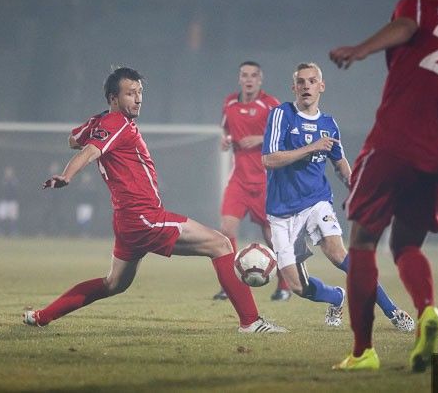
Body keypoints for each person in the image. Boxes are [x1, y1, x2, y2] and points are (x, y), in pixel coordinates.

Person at [23, 67, 287, 334]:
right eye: (130, 93)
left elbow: (73, 140)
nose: (138, 99)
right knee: (220, 244)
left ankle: (42, 316)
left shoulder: (101, 122)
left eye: (140, 92)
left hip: (127, 221)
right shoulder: (116, 122)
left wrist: (94, 130)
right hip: (144, 217)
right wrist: (67, 175)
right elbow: (90, 150)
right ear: (113, 98)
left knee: (114, 284)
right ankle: (251, 322)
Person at [329, 0, 438, 371]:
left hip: (397, 140)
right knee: (406, 245)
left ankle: (363, 352)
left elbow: (407, 26)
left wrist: (360, 49)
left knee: (363, 241)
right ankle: (427, 309)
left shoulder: (415, 6)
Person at [261, 62, 414, 331]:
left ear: (321, 86)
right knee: (297, 286)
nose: (306, 86)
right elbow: (269, 159)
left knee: (338, 254)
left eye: (312, 81)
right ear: (293, 87)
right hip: (281, 212)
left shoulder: (329, 124)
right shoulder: (281, 115)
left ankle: (393, 311)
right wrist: (311, 148)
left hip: (316, 201)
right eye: (301, 82)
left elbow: (339, 162)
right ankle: (336, 297)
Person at [213, 61, 291, 302]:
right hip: (238, 180)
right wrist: (226, 139)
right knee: (226, 232)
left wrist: (260, 138)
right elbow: (226, 130)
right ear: (239, 79)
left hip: (266, 181)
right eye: (244, 75)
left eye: (253, 75)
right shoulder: (230, 103)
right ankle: (230, 286)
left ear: (260, 79)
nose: (249, 79)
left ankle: (284, 286)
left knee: (272, 237)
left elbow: (287, 135)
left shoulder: (271, 104)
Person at [0, 166, 19, 236]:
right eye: (7, 171)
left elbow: (16, 191)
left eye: (10, 171)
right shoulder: (3, 181)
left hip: (12, 202)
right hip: (3, 202)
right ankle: (0, 232)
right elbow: (0, 190)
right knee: (1, 217)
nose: (9, 173)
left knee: (13, 218)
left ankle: (13, 232)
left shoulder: (14, 181)